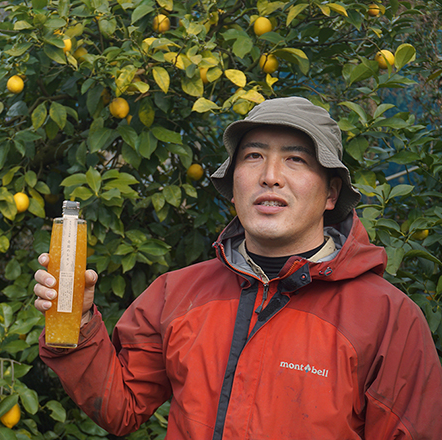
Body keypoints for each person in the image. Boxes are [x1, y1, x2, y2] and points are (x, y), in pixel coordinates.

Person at [33, 97, 442, 439]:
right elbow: (120, 407)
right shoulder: (176, 293)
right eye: (254, 156)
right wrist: (79, 322)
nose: (270, 176)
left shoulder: (387, 317)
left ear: (331, 193)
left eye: (295, 159)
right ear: (233, 185)